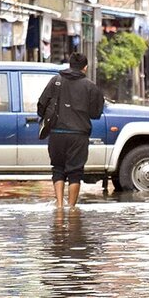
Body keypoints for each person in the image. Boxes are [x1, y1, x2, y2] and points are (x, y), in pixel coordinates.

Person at [37, 52, 105, 208]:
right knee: (75, 172)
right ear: (85, 68)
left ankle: (59, 205)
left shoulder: (56, 81)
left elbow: (41, 106)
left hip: (56, 134)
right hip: (78, 135)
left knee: (58, 169)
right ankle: (72, 208)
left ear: (69, 65)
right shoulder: (90, 86)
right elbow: (96, 113)